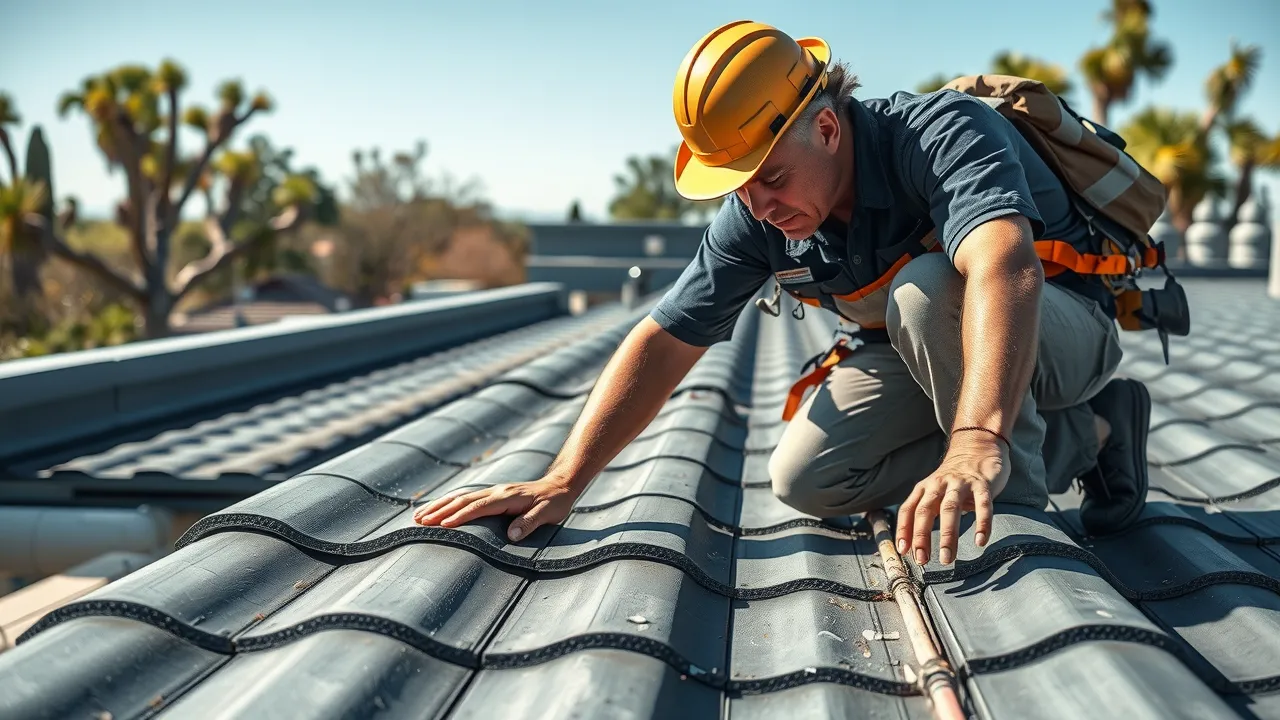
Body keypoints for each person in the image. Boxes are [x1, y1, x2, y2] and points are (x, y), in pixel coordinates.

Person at [415, 20, 1152, 566]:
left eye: (770, 177)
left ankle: (1011, 515)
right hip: (932, 349)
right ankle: (1094, 434)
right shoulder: (760, 214)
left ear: (827, 126)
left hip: (1062, 330)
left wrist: (976, 440)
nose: (759, 204)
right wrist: (564, 479)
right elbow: (666, 338)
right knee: (808, 476)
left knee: (927, 287)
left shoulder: (939, 134)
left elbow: (1004, 267)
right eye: (741, 185)